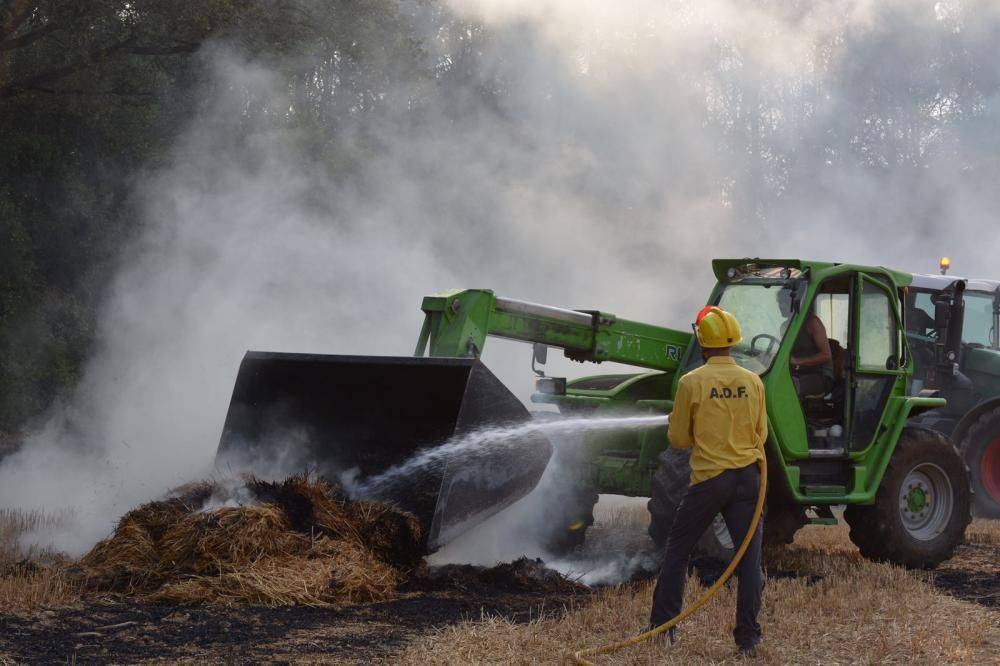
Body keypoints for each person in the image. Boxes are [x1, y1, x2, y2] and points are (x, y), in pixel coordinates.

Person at [648, 305, 767, 658]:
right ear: (733, 342)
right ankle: (748, 640)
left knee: (677, 550)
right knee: (749, 561)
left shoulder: (691, 382)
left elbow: (680, 441)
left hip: (709, 481)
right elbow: (761, 434)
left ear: (702, 343)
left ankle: (663, 627)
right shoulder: (753, 381)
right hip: (748, 480)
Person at [778, 287, 833, 397]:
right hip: (798, 374)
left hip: (819, 376)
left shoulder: (812, 323)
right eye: (779, 302)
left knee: (788, 388)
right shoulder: (785, 326)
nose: (780, 306)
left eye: (784, 302)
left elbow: (826, 355)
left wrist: (797, 361)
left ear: (795, 302)